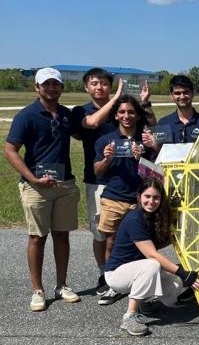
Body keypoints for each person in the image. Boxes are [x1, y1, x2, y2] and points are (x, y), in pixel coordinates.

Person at [72, 67, 155, 296]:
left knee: (133, 233)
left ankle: (132, 274)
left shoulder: (125, 115)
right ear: (86, 87)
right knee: (103, 234)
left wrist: (144, 103)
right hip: (100, 182)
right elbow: (91, 123)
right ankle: (105, 274)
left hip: (129, 184)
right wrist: (115, 100)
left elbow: (150, 125)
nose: (99, 88)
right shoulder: (83, 110)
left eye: (104, 84)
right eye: (94, 84)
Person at [5, 67, 81, 311]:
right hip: (36, 186)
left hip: (64, 183)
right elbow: (10, 150)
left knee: (62, 235)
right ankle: (37, 290)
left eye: (55, 84)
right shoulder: (26, 115)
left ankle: (62, 284)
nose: (51, 88)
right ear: (36, 87)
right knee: (37, 237)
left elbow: (89, 127)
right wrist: (32, 179)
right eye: (46, 84)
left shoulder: (66, 115)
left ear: (61, 87)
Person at [104, 178, 199, 336]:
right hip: (116, 274)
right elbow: (152, 254)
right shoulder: (134, 218)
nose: (151, 201)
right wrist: (184, 274)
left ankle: (146, 303)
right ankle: (129, 318)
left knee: (176, 284)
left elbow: (159, 244)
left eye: (156, 197)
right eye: (147, 196)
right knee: (153, 265)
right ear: (139, 197)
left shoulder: (153, 217)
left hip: (137, 270)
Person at [94, 95, 158, 305]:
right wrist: (106, 159)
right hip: (114, 197)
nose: (126, 116)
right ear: (116, 115)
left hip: (141, 200)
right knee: (111, 241)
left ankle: (142, 284)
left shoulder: (145, 140)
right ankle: (111, 282)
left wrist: (142, 158)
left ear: (137, 114)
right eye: (122, 112)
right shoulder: (106, 141)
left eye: (131, 112)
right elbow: (97, 171)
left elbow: (155, 173)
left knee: (143, 243)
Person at [145, 75, 199, 149]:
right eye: (177, 93)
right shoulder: (163, 123)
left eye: (185, 92)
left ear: (192, 93)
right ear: (171, 96)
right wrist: (145, 102)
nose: (182, 96)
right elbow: (159, 153)